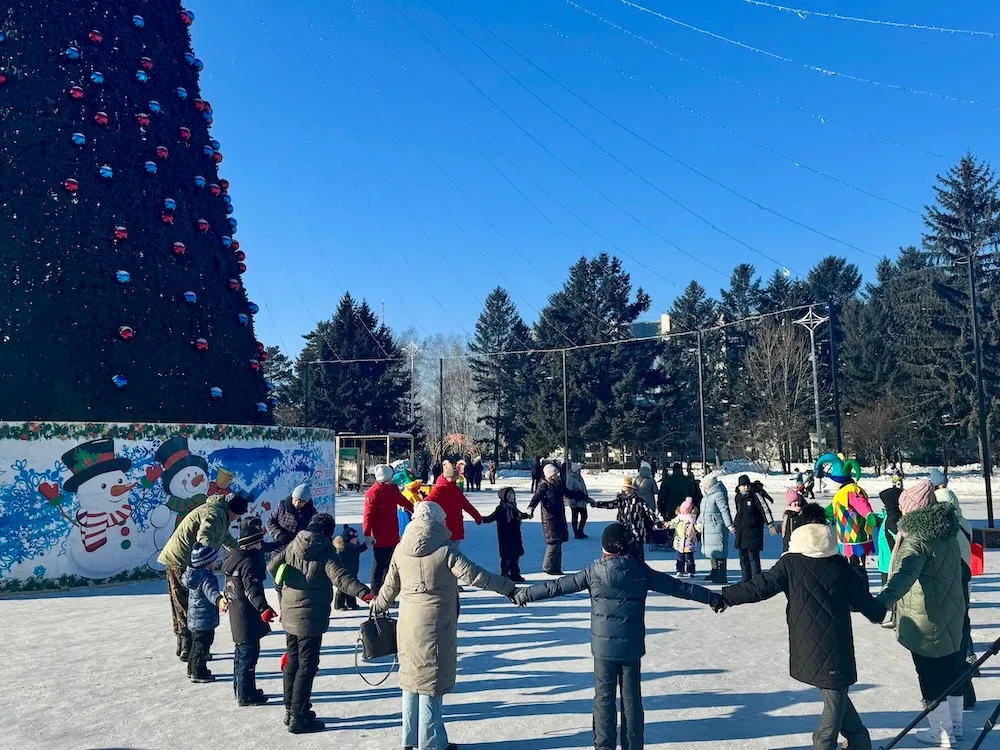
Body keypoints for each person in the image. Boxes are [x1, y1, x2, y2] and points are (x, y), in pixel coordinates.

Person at [514, 523, 726, 750]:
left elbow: (557, 586)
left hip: (603, 649)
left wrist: (526, 594)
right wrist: (710, 597)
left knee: (603, 699)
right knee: (631, 700)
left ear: (604, 548)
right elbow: (677, 586)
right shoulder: (639, 570)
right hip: (631, 647)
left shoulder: (593, 571)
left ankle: (604, 747)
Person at [722, 504, 887, 750]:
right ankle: (828, 742)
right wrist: (879, 611)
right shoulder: (839, 563)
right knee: (834, 691)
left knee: (834, 690)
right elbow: (864, 601)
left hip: (805, 640)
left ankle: (858, 739)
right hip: (835, 640)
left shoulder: (789, 563)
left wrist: (725, 596)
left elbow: (760, 586)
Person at [371, 501, 517, 750]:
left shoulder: (400, 549)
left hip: (407, 624)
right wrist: (508, 588)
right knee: (430, 683)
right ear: (437, 522)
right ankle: (430, 743)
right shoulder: (445, 549)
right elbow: (475, 575)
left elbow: (388, 588)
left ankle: (410, 739)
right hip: (435, 625)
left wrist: (376, 607)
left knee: (410, 681)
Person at [876, 480, 966, 747]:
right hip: (952, 612)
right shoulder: (947, 532)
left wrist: (881, 603)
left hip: (925, 618)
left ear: (912, 511)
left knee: (929, 674)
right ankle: (956, 726)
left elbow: (904, 576)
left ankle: (942, 733)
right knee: (952, 669)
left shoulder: (917, 540)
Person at [267, 513, 374, 734]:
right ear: (327, 531)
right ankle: (299, 716)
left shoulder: (293, 544)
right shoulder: (326, 551)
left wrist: (287, 583)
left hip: (289, 612)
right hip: (310, 617)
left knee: (293, 662)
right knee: (306, 666)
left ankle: (292, 710)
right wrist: (365, 594)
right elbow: (341, 578)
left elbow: (271, 567)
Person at [158, 493, 247, 662]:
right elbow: (204, 535)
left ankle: (186, 647)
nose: (236, 520)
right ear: (234, 512)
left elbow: (224, 537)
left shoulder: (220, 512)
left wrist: (240, 553)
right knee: (186, 603)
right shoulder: (214, 514)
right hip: (180, 560)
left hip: (188, 559)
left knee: (186, 603)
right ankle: (188, 648)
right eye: (238, 516)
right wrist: (205, 561)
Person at [930, 468, 977, 712]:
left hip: (951, 583)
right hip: (964, 581)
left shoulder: (945, 530)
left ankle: (963, 688)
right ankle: (970, 663)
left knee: (953, 636)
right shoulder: (964, 523)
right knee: (963, 625)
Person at [222, 517, 277, 706]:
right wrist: (264, 609)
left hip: (238, 612)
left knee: (241, 653)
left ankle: (242, 689)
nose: (261, 545)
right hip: (247, 614)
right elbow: (252, 589)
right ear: (253, 542)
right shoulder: (248, 562)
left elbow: (229, 586)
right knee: (248, 655)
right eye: (259, 541)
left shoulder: (234, 558)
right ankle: (246, 695)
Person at [363, 464, 414, 595]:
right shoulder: (372, 493)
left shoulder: (392, 489)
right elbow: (368, 515)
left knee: (391, 565)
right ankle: (375, 592)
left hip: (393, 533)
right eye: (391, 477)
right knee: (379, 565)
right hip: (379, 536)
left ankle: (388, 592)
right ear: (385, 479)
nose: (393, 479)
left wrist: (416, 509)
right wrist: (367, 534)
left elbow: (404, 501)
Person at [528, 463, 588, 575]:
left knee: (559, 542)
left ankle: (556, 567)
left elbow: (569, 493)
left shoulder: (558, 485)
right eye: (555, 474)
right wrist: (531, 508)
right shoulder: (543, 486)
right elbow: (536, 498)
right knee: (553, 543)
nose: (558, 476)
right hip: (549, 518)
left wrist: (584, 497)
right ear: (550, 476)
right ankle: (548, 567)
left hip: (559, 517)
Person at [182, 543, 227, 684]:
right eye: (213, 560)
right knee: (202, 645)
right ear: (207, 563)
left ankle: (192, 668)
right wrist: (220, 600)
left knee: (196, 644)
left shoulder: (193, 576)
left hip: (194, 618)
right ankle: (198, 671)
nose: (215, 563)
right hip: (204, 618)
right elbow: (211, 592)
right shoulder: (207, 577)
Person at [592, 475, 662, 561]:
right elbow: (610, 504)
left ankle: (640, 569)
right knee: (624, 555)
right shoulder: (621, 501)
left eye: (629, 490)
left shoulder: (639, 501)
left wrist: (657, 521)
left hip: (637, 533)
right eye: (624, 490)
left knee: (638, 554)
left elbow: (649, 511)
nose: (626, 492)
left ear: (633, 490)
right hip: (624, 534)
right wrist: (597, 504)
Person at [426, 461, 484, 549]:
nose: (456, 479)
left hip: (456, 526)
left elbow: (466, 505)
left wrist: (477, 516)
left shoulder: (456, 490)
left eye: (456, 477)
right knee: (445, 554)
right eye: (454, 477)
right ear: (448, 476)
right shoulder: (440, 489)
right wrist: (418, 506)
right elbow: (428, 500)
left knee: (455, 554)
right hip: (444, 527)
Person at [733, 475, 775, 582]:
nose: (745, 487)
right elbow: (739, 513)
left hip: (753, 531)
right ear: (739, 487)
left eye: (747, 485)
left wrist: (770, 524)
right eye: (743, 485)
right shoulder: (737, 497)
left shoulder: (755, 496)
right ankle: (745, 580)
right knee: (743, 558)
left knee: (753, 558)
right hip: (741, 532)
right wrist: (735, 524)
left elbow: (765, 509)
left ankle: (757, 581)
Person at [483, 487, 530, 583]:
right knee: (507, 557)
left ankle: (515, 574)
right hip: (505, 537)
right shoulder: (501, 509)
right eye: (510, 496)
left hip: (515, 536)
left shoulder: (514, 508)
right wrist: (481, 519)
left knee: (515, 556)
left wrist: (527, 515)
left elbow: (520, 515)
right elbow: (491, 517)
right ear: (505, 498)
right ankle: (505, 574)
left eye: (513, 495)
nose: (512, 497)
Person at [697, 473, 734, 584]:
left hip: (716, 527)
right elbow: (703, 512)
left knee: (719, 551)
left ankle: (721, 575)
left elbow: (724, 510)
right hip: (708, 528)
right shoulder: (707, 496)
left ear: (710, 485)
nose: (704, 487)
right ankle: (714, 571)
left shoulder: (719, 495)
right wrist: (699, 522)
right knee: (711, 552)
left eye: (705, 485)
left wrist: (729, 525)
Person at [265, 483, 316, 555]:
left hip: (299, 550)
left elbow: (314, 531)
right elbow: (270, 522)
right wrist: (279, 535)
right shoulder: (282, 506)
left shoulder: (312, 513)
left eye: (301, 502)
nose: (297, 504)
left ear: (306, 502)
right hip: (279, 547)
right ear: (292, 497)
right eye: (295, 500)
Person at [333, 524, 369, 611]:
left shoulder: (355, 547)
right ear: (347, 540)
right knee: (342, 589)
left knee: (353, 588)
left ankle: (352, 603)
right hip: (344, 573)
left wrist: (367, 544)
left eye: (356, 539)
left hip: (353, 571)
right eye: (353, 539)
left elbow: (360, 549)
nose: (356, 540)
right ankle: (339, 604)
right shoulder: (342, 549)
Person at [876, 476, 904, 587]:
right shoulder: (891, 516)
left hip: (890, 565)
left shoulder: (893, 519)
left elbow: (901, 537)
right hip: (887, 564)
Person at [667, 498, 699, 577]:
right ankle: (680, 570)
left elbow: (697, 527)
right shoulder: (678, 519)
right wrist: (665, 525)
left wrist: (698, 528)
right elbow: (671, 523)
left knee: (689, 558)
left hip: (689, 543)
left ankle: (691, 571)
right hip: (679, 542)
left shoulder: (692, 519)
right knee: (680, 558)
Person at [566, 462, 590, 539]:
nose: (579, 472)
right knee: (575, 517)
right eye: (578, 470)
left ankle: (580, 531)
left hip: (582, 501)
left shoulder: (579, 477)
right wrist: (572, 499)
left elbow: (583, 488)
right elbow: (568, 491)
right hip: (575, 502)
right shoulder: (570, 478)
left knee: (584, 516)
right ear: (575, 470)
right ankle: (576, 533)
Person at [781, 487, 806, 554]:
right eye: (794, 501)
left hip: (798, 545)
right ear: (789, 503)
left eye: (798, 501)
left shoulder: (801, 513)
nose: (797, 503)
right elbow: (784, 526)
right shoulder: (787, 514)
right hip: (788, 544)